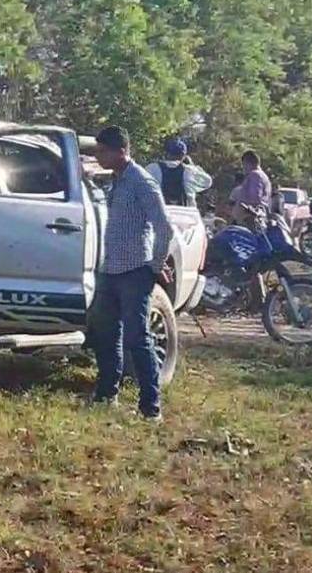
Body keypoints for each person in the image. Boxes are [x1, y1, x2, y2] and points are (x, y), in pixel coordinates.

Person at [90, 125, 175, 421]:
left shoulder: (141, 182)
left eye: (103, 151)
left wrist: (153, 267)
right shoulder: (114, 181)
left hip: (134, 270)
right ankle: (106, 394)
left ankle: (150, 407)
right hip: (110, 269)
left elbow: (165, 228)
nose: (99, 156)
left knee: (138, 339)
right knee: (106, 334)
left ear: (121, 151)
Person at [147, 138, 213, 209]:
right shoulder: (190, 171)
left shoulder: (152, 168)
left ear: (167, 153)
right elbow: (208, 182)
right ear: (184, 156)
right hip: (185, 216)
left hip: (160, 213)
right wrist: (194, 166)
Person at [235, 150, 272, 218]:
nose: (243, 168)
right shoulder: (263, 176)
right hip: (259, 216)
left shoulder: (255, 175)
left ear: (247, 163)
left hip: (250, 219)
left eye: (243, 164)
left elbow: (254, 199)